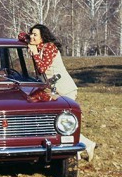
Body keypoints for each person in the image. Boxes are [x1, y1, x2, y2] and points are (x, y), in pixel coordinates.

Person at [19, 24, 97, 161]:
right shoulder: (38, 45)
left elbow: (42, 68)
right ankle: (81, 148)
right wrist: (28, 40)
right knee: (58, 122)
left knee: (64, 121)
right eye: (31, 33)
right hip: (53, 90)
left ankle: (84, 146)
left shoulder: (49, 48)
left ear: (43, 37)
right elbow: (21, 35)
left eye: (35, 34)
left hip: (65, 88)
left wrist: (35, 52)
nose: (32, 36)